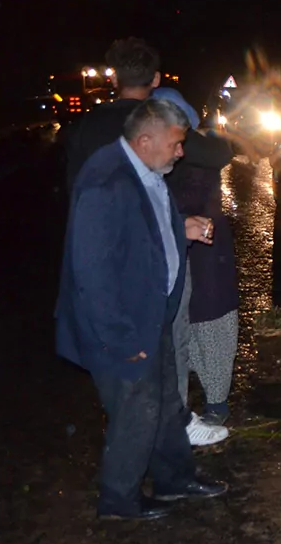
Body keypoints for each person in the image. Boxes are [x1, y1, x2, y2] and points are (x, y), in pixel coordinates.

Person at [54, 99, 228, 521]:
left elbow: (144, 228)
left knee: (167, 402)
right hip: (123, 327)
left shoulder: (145, 169)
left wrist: (180, 227)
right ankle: (118, 499)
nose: (181, 152)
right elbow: (91, 272)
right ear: (146, 139)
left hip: (152, 316)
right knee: (137, 411)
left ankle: (174, 479)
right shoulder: (106, 181)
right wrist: (120, 339)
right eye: (176, 144)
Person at [152, 87, 239, 427]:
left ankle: (211, 403)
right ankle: (203, 404)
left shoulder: (188, 146)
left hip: (202, 242)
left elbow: (218, 152)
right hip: (185, 241)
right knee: (194, 319)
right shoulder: (201, 146)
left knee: (205, 318)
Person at [62, 37, 160, 195]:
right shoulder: (165, 124)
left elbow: (74, 185)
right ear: (156, 79)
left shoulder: (83, 126)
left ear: (114, 79)